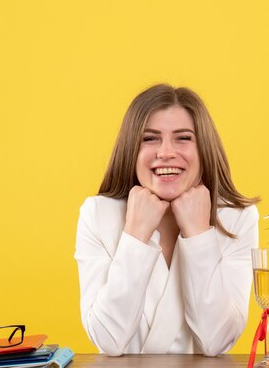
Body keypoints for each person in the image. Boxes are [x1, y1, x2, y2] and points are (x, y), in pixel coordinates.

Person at [75, 84, 259, 356]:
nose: (166, 152)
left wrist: (199, 234)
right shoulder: (97, 214)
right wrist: (135, 235)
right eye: (150, 138)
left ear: (204, 149)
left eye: (183, 138)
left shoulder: (237, 219)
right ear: (131, 150)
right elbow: (107, 340)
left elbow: (217, 342)